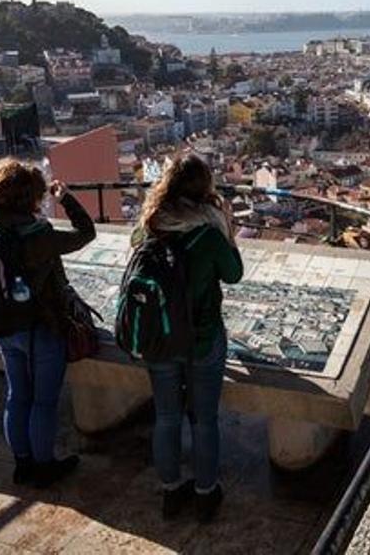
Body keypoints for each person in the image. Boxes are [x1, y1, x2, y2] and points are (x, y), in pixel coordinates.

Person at [0, 158, 96, 488]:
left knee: (17, 395)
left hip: (3, 328)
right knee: (43, 400)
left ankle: (22, 464)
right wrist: (65, 197)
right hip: (42, 328)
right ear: (31, 197)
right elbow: (86, 232)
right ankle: (44, 465)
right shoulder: (38, 235)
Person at [133, 153, 242, 521]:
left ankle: (170, 491)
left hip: (159, 338)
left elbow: (133, 253)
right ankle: (205, 492)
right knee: (203, 419)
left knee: (165, 417)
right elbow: (234, 274)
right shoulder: (208, 233)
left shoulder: (150, 223)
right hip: (201, 338)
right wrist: (227, 229)